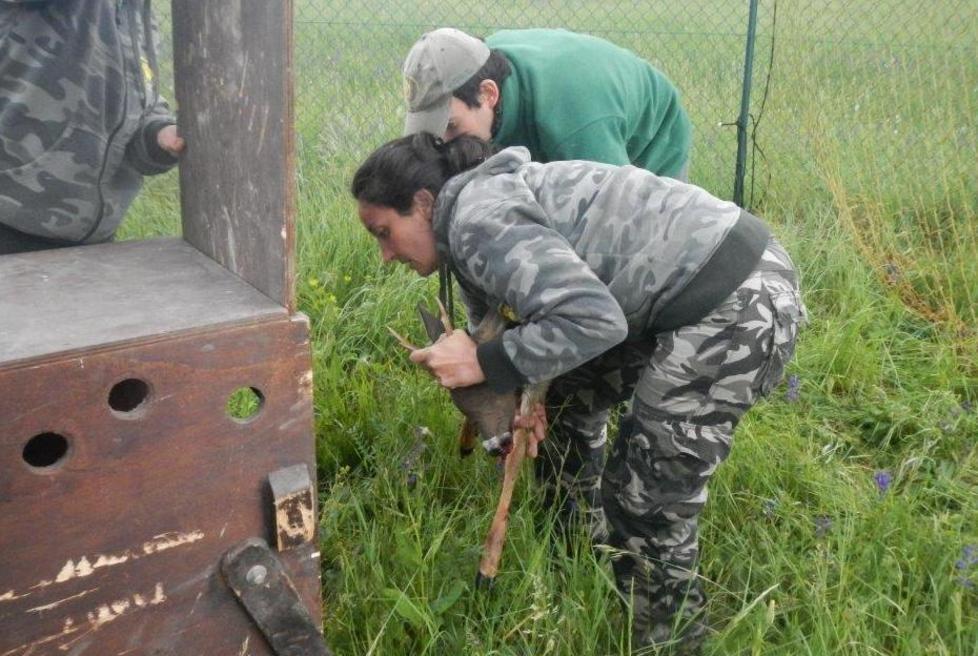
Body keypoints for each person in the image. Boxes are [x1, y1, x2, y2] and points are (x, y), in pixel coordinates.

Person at [351, 133, 806, 652]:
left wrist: (482, 361)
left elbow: (593, 321)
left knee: (646, 498)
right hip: (684, 290)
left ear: (424, 203)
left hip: (734, 299)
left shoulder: (478, 222)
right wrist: (526, 391)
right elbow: (534, 319)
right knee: (565, 402)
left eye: (384, 233)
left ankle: (668, 642)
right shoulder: (467, 225)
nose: (385, 255)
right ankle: (575, 553)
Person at [0, 0, 184, 255]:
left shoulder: (133, 10)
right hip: (10, 225)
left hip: (90, 239)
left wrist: (161, 135)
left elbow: (136, 107)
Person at [401, 27, 691, 180]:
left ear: (488, 95)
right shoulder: (473, 65)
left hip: (652, 138)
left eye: (451, 126)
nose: (446, 142)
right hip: (566, 110)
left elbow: (614, 204)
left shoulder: (576, 122)